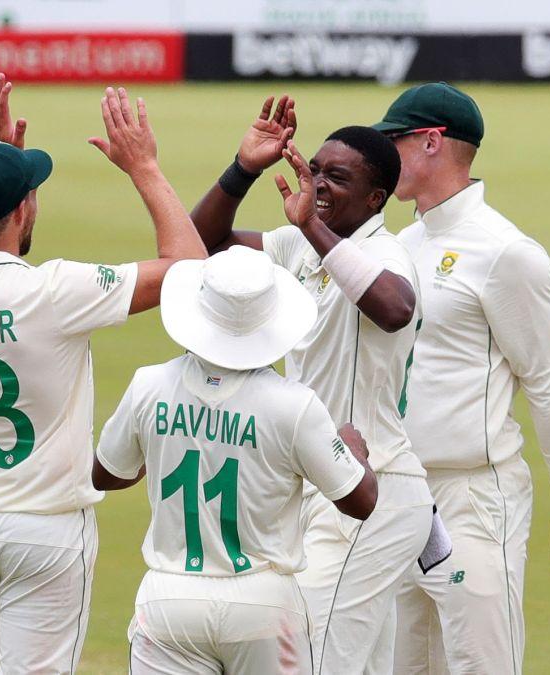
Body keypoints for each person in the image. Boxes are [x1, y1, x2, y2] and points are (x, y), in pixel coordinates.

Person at [0, 80, 206, 674]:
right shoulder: (54, 291)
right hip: (44, 533)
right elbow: (192, 271)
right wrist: (145, 168)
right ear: (22, 211)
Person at [189, 99, 438, 673]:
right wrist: (243, 168)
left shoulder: (383, 251)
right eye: (316, 168)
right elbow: (202, 246)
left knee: (308, 660)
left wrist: (311, 225)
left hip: (369, 493)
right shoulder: (297, 244)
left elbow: (395, 309)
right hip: (317, 489)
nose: (317, 183)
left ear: (376, 199)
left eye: (337, 177)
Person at [375, 82, 550, 674]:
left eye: (390, 141)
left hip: (473, 498)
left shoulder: (507, 253)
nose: (380, 156)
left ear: (430, 142)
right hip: (398, 496)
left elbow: (546, 383)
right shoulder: (401, 243)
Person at [94, 245, 378, 674]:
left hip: (170, 600)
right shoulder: (294, 405)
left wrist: (172, 442)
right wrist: (353, 448)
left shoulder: (148, 385)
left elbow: (107, 475)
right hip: (263, 606)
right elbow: (360, 501)